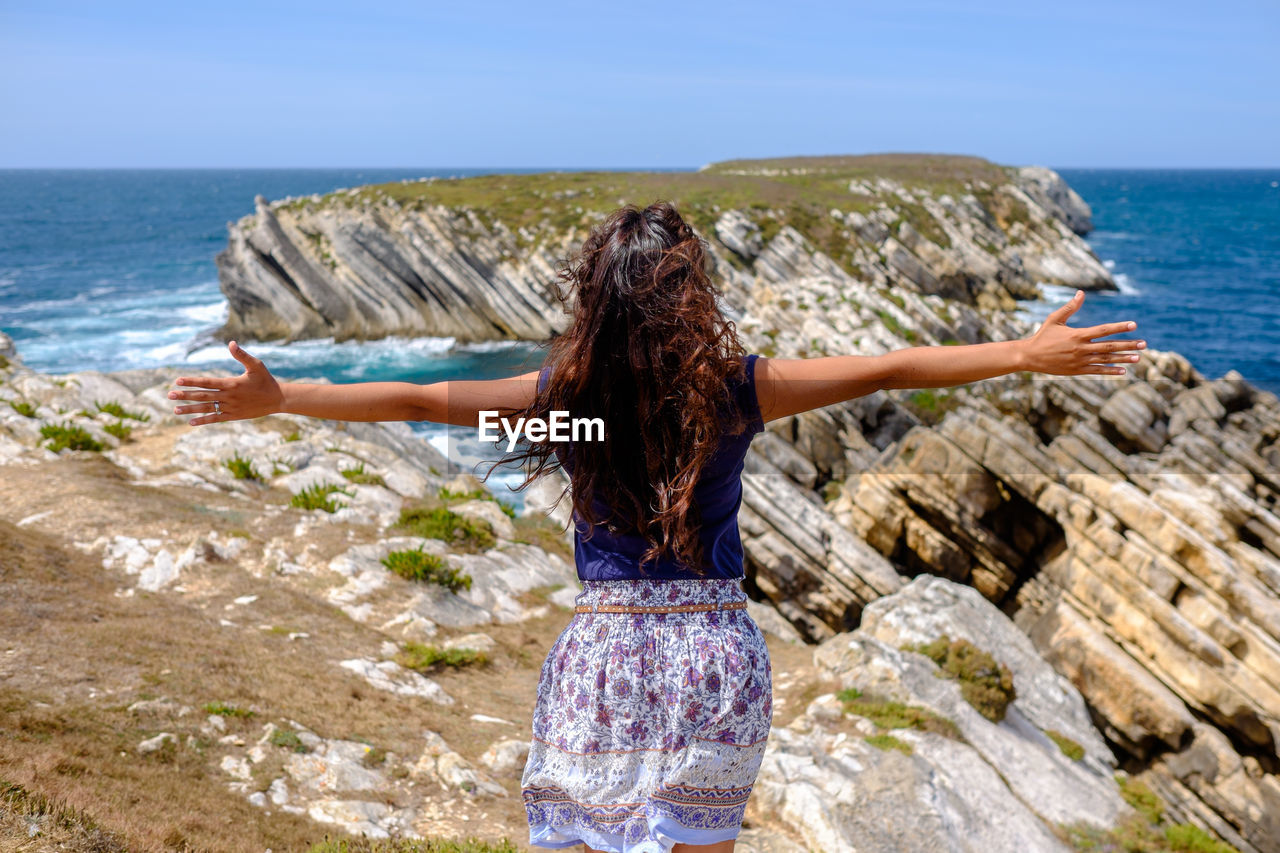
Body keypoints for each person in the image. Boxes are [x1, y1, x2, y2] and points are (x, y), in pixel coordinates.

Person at [168, 201, 1143, 853]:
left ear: (593, 298)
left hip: (606, 659)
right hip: (716, 654)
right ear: (690, 294)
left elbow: (424, 398)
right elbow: (890, 367)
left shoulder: (566, 405)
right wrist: (1021, 349)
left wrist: (282, 395)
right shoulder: (733, 390)